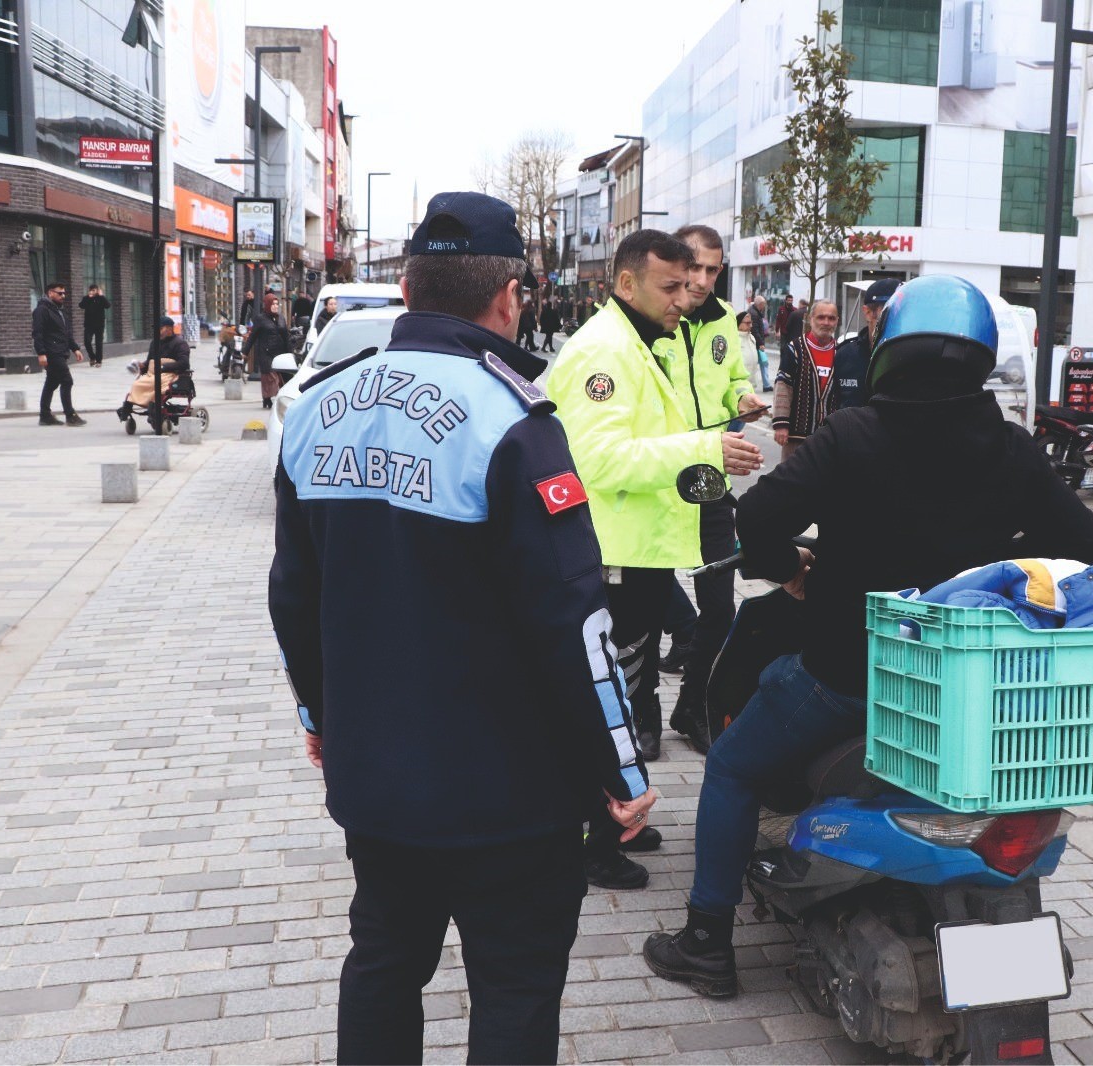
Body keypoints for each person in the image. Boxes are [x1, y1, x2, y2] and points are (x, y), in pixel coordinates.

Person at [269, 190, 656, 1066]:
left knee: (382, 965)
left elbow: (292, 598)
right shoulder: (513, 421)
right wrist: (620, 768)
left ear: (406, 287)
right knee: (515, 989)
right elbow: (574, 621)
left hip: (378, 782)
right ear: (509, 296)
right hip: (510, 797)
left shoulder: (319, 409)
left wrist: (319, 719)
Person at [642, 274, 1093, 996]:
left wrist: (791, 565)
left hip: (844, 677)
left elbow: (755, 520)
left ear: (890, 347)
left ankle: (706, 942)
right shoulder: (1011, 448)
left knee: (731, 765)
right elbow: (1079, 544)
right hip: (958, 682)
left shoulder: (854, 432)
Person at [550, 228, 762, 890]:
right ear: (625, 284)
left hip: (638, 553)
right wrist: (703, 451)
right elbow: (598, 459)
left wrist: (707, 450)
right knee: (601, 702)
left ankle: (614, 821)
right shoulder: (605, 354)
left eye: (692, 282)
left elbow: (657, 438)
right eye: (671, 286)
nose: (686, 296)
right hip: (611, 559)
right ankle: (590, 837)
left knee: (623, 691)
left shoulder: (651, 342)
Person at [656, 223, 766, 755]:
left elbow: (732, 381)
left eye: (712, 269)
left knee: (721, 607)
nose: (701, 280)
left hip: (710, 480)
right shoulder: (655, 320)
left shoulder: (724, 319)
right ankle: (643, 718)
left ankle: (692, 706)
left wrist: (743, 400)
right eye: (694, 267)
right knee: (644, 604)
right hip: (656, 479)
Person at [772, 300, 840, 460]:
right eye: (821, 317)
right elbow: (783, 385)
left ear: (837, 321)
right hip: (796, 438)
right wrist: (781, 424)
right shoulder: (794, 348)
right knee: (792, 482)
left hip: (829, 439)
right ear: (811, 319)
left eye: (831, 318)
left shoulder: (842, 351)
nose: (826, 322)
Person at [833, 278, 898, 412]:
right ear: (868, 312)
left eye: (901, 310)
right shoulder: (845, 355)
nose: (895, 316)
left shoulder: (911, 358)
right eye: (888, 310)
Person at [33, 281, 86, 427]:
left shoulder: (59, 311)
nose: (63, 296)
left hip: (60, 352)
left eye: (64, 293)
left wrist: (75, 348)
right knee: (67, 381)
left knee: (51, 382)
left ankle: (45, 415)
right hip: (51, 353)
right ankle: (70, 415)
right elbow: (38, 333)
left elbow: (65, 333)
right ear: (50, 293)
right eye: (60, 293)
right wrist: (41, 353)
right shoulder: (42, 310)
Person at [243, 293, 292, 409]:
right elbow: (252, 336)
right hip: (266, 353)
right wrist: (245, 351)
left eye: (277, 304)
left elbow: (286, 336)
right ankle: (268, 397)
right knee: (270, 377)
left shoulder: (281, 317)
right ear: (267, 305)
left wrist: (290, 353)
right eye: (273, 304)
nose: (275, 306)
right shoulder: (260, 319)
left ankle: (268, 398)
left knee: (280, 377)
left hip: (280, 352)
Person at [79, 284, 111, 367]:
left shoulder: (101, 298)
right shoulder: (86, 298)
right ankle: (92, 357)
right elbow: (81, 306)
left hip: (99, 325)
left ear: (97, 290)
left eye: (94, 290)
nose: (92, 292)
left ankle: (99, 361)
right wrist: (88, 298)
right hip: (89, 325)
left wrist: (102, 296)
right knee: (87, 342)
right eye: (91, 290)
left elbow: (108, 306)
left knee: (98, 343)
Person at [736, 309, 768, 392]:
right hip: (739, 384)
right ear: (739, 323)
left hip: (751, 383)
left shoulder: (751, 337)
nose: (750, 325)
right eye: (747, 323)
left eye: (751, 322)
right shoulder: (734, 339)